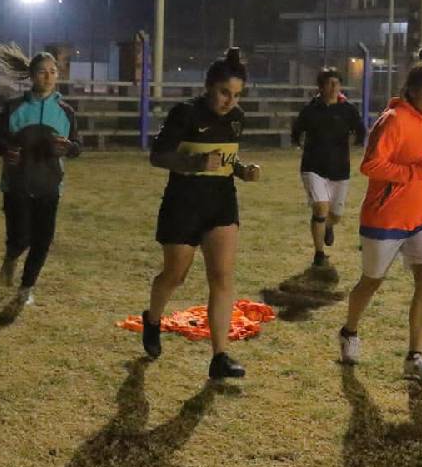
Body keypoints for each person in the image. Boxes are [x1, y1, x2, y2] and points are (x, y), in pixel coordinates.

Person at [140, 48, 262, 381]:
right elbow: (158, 156)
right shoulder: (185, 113)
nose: (230, 101)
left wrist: (242, 170)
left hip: (221, 203)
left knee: (222, 277)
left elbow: (225, 159)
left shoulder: (237, 119)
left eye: (236, 95)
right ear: (209, 86)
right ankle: (152, 319)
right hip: (183, 204)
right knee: (174, 276)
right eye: (225, 92)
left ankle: (220, 356)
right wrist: (194, 164)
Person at [338, 45, 422, 383]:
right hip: (386, 218)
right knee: (372, 281)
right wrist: (413, 174)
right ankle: (349, 331)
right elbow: (370, 164)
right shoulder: (393, 120)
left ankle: (414, 357)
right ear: (412, 91)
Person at [0, 45, 81, 307]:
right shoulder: (13, 107)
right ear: (31, 75)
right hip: (16, 185)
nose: (48, 76)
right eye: (42, 72)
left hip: (50, 186)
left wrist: (69, 147)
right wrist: (5, 150)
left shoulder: (66, 111)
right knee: (20, 237)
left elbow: (77, 146)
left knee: (43, 239)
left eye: (53, 71)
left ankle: (26, 287)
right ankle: (11, 256)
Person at [291, 67, 367, 267]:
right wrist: (299, 144)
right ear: (321, 87)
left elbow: (360, 131)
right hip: (313, 167)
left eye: (337, 83)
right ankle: (319, 253)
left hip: (340, 169)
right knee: (320, 208)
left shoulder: (347, 109)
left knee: (335, 216)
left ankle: (329, 227)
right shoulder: (310, 110)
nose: (334, 87)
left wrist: (353, 141)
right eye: (329, 83)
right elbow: (296, 130)